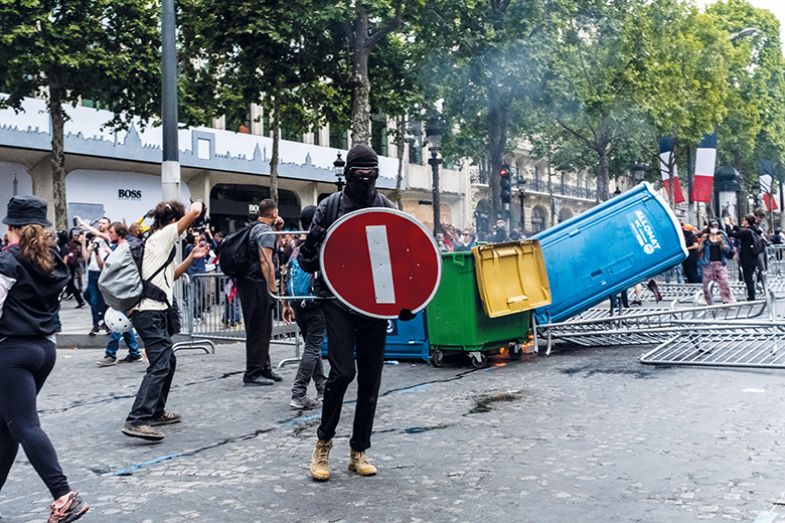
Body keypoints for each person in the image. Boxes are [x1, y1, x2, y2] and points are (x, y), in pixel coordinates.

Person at [298, 144, 396, 481]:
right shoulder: (330, 206)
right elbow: (306, 261)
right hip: (336, 300)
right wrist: (313, 242)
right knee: (342, 373)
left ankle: (359, 450)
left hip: (373, 304)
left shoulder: (385, 207)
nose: (366, 178)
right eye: (360, 172)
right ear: (348, 174)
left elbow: (396, 263)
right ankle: (323, 444)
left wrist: (405, 303)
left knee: (371, 378)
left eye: (371, 172)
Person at [0, 195, 90, 522]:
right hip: (44, 350)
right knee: (7, 427)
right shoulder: (51, 259)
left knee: (23, 425)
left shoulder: (7, 260)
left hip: (10, 350)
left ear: (11, 227)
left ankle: (63, 494)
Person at [121, 200, 208, 441]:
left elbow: (170, 275)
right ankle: (137, 419)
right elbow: (196, 211)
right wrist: (196, 203)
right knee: (160, 362)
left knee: (167, 360)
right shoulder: (163, 235)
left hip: (154, 310)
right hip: (149, 311)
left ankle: (156, 411)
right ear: (173, 221)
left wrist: (190, 258)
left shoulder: (158, 244)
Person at [282, 206, 327, 410]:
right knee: (312, 347)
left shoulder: (297, 248)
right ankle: (298, 393)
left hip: (298, 302)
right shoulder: (320, 246)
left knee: (312, 345)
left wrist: (286, 302)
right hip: (315, 303)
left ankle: (322, 387)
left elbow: (287, 275)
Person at [236, 199, 284, 387]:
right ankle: (253, 372)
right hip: (257, 284)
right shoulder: (264, 231)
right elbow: (266, 261)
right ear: (273, 212)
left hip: (249, 283)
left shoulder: (255, 228)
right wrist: (272, 289)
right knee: (259, 327)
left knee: (263, 328)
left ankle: (264, 367)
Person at [95, 223, 142, 366]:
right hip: (119, 291)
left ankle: (110, 354)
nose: (109, 234)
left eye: (111, 232)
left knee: (117, 322)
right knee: (123, 322)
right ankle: (135, 353)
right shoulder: (118, 247)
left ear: (119, 233)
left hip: (124, 291)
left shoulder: (126, 247)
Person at [77, 216, 111, 335]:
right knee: (93, 298)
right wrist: (83, 244)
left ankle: (106, 323)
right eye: (100, 223)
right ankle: (96, 324)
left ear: (108, 225)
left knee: (104, 299)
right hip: (92, 271)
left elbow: (96, 232)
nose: (100, 225)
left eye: (103, 223)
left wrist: (82, 223)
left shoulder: (108, 238)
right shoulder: (94, 239)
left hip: (104, 271)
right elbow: (86, 257)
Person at [726, 214, 763, 301]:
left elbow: (731, 234)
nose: (742, 222)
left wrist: (728, 225)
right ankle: (752, 294)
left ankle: (751, 296)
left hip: (747, 258)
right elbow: (740, 231)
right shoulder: (753, 230)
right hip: (753, 257)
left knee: (748, 278)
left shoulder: (746, 232)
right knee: (750, 277)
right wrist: (734, 224)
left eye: (744, 220)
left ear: (747, 222)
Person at [699, 219, 734, 304]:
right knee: (706, 283)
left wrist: (721, 243)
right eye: (712, 226)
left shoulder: (721, 236)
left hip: (720, 263)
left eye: (716, 226)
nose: (714, 228)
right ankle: (708, 300)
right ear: (709, 227)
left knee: (724, 282)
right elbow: (699, 250)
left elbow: (727, 250)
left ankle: (726, 299)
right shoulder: (706, 238)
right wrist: (702, 242)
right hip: (708, 263)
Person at [61, 229, 86, 308]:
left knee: (69, 284)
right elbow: (78, 254)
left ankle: (80, 300)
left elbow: (65, 258)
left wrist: (62, 268)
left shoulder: (65, 246)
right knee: (70, 284)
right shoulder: (72, 245)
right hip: (72, 266)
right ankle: (79, 299)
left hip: (68, 267)